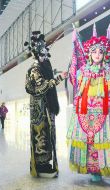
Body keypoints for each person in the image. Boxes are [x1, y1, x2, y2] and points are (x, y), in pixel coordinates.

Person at [67, 24, 110, 185]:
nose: (97, 54)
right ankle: (94, 171)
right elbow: (79, 92)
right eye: (94, 51)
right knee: (90, 144)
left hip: (104, 112)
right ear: (89, 53)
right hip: (85, 113)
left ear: (104, 54)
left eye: (100, 52)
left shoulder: (108, 70)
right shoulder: (82, 71)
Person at [25, 31, 67, 178]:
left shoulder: (44, 66)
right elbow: (41, 87)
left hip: (46, 107)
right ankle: (41, 165)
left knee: (47, 134)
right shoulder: (35, 68)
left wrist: (55, 76)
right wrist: (59, 78)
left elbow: (47, 82)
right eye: (41, 54)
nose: (44, 57)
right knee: (40, 134)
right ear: (37, 54)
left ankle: (45, 163)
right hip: (39, 108)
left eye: (45, 54)